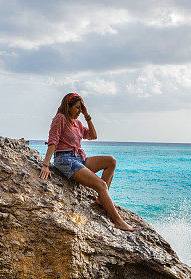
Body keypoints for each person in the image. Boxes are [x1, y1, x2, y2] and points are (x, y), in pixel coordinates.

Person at [40, 93, 136, 232]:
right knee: (101, 185)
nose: (79, 111)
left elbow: (93, 136)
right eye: (77, 108)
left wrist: (87, 116)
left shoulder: (77, 123)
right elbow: (53, 141)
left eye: (81, 108)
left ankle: (100, 199)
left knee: (111, 161)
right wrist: (46, 165)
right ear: (68, 106)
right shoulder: (60, 118)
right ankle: (118, 222)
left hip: (79, 158)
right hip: (65, 160)